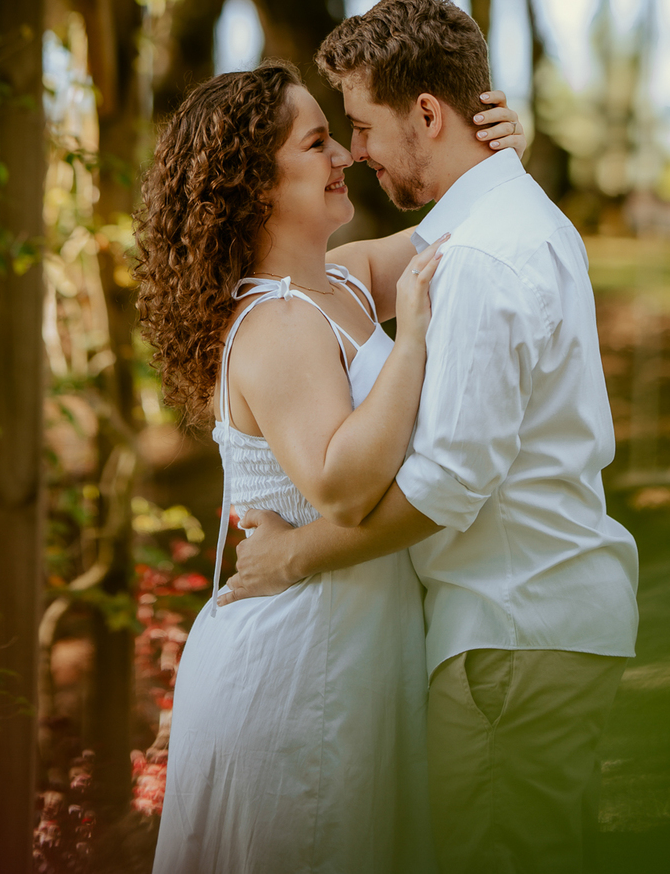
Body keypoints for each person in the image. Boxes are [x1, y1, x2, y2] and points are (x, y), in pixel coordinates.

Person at [221, 0, 640, 874]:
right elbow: (332, 279)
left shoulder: (481, 257)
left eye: (362, 127)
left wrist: (292, 556)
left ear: (426, 113)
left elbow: (447, 482)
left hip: (511, 628)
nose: (354, 151)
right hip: (531, 621)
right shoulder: (498, 219)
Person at [136, 60, 525, 874]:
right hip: (294, 666)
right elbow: (343, 487)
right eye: (318, 143)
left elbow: (459, 229)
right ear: (256, 186)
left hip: (351, 653)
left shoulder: (338, 284)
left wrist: (492, 155)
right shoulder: (275, 322)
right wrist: (411, 345)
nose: (345, 155)